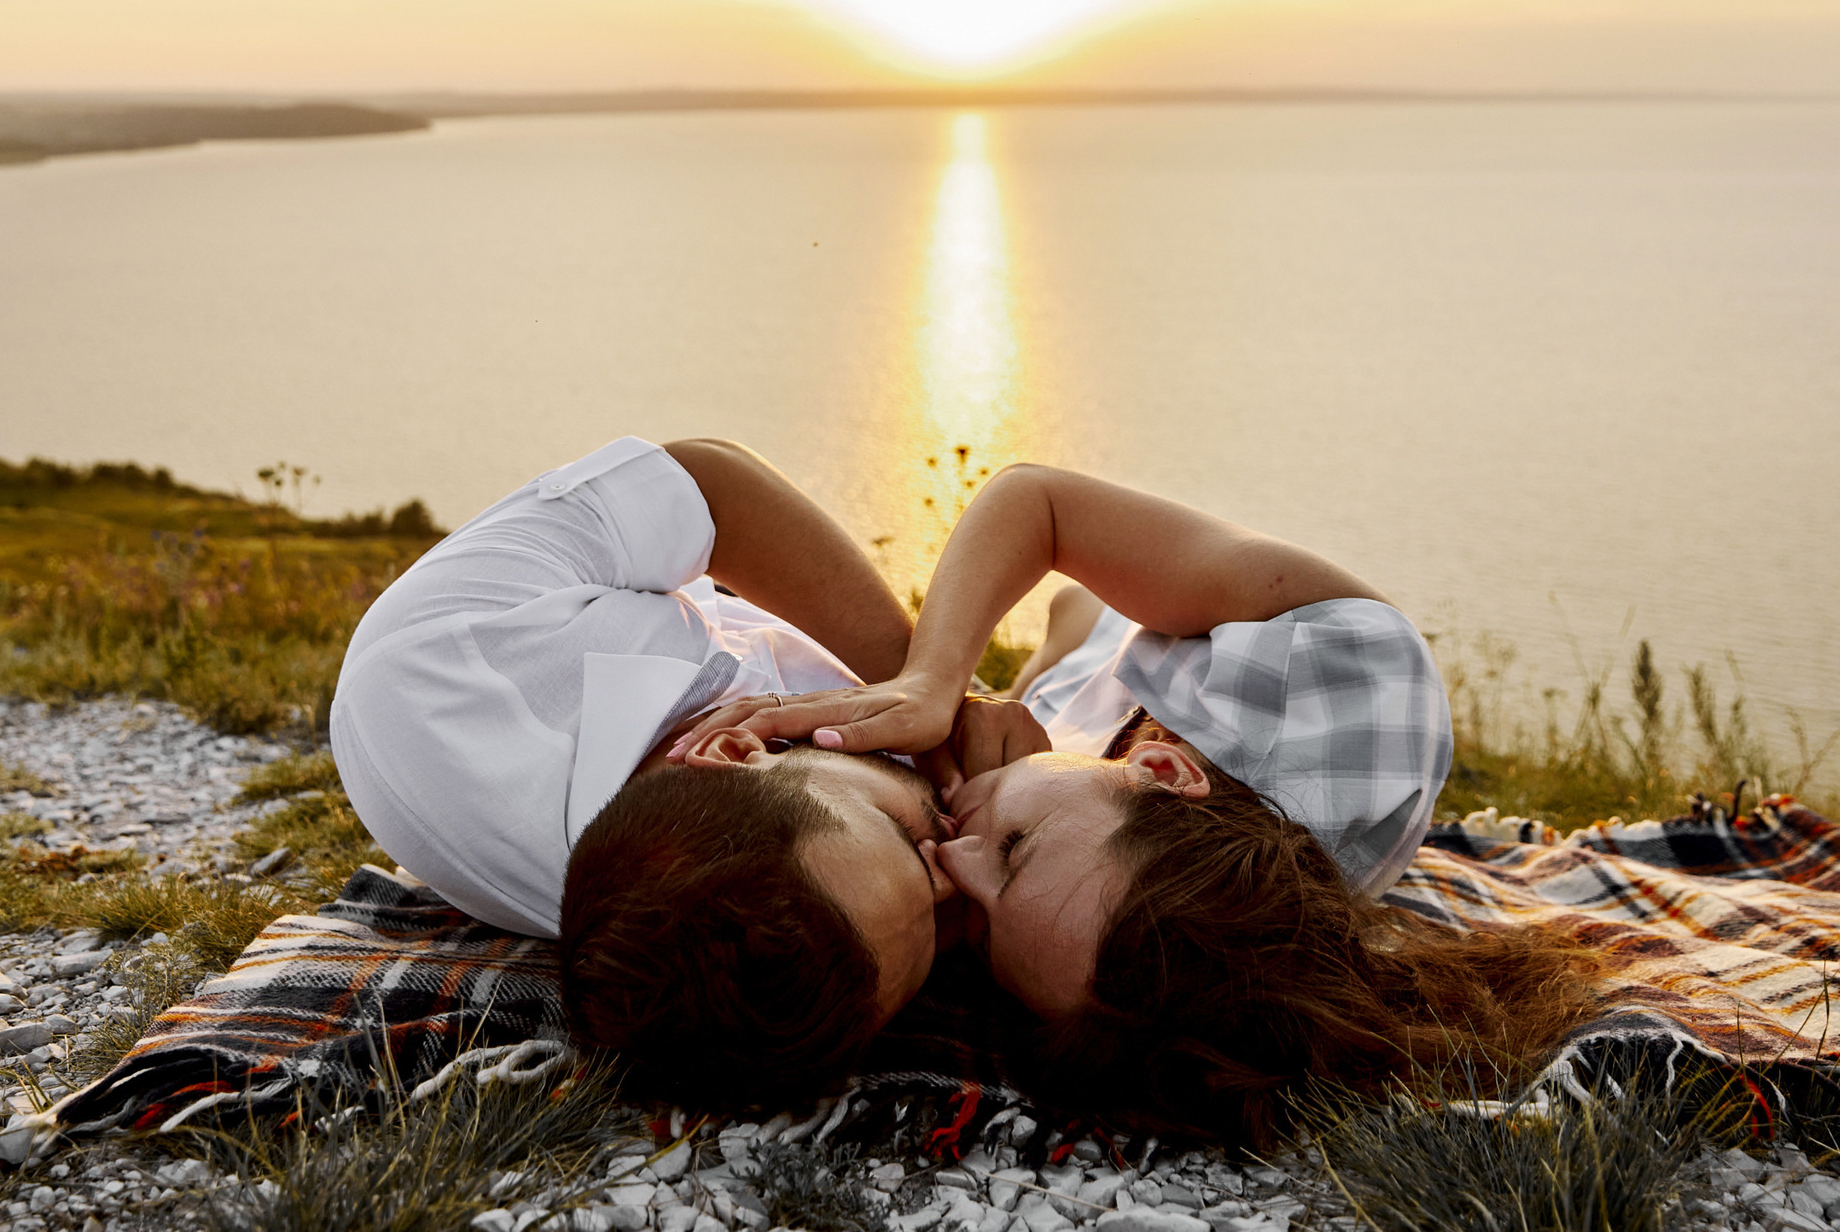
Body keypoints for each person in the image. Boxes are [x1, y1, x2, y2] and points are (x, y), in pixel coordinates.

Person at [696, 461, 1599, 1142]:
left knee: (1021, 727)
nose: (949, 862)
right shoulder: (1346, 686)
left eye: (981, 909)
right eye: (1010, 850)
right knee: (1081, 604)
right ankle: (1072, 640)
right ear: (1166, 772)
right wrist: (938, 677)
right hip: (1162, 648)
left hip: (1071, 740)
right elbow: (1037, 502)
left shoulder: (1098, 953)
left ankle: (1052, 666)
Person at [329, 435, 961, 1108]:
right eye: (942, 926)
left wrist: (937, 694)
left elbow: (710, 487)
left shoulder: (447, 652)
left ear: (734, 752)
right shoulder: (804, 934)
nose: (957, 853)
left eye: (905, 830)